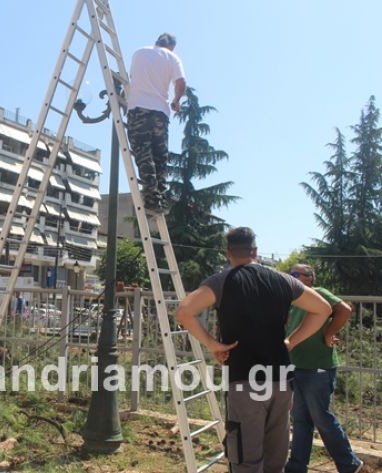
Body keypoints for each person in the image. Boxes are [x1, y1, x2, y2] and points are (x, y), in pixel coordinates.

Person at [175, 227, 332, 473]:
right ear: (255, 251)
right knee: (275, 461)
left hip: (244, 382)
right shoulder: (283, 280)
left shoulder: (222, 281)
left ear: (228, 253)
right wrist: (291, 341)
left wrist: (213, 345)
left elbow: (184, 312)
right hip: (281, 382)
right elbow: (323, 309)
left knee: (246, 461)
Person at [284, 264, 363, 473]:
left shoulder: (318, 294)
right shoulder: (292, 302)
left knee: (321, 416)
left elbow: (344, 310)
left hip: (318, 366)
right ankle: (297, 466)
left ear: (309, 278)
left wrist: (329, 332)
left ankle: (349, 464)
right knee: (301, 418)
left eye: (294, 275)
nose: (290, 278)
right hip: (297, 366)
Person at [127, 32, 186, 212]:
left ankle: (152, 197)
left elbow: (132, 78)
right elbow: (181, 82)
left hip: (139, 110)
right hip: (160, 113)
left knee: (143, 153)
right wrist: (176, 100)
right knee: (160, 156)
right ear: (171, 47)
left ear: (157, 41)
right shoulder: (173, 58)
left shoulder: (139, 53)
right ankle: (160, 195)